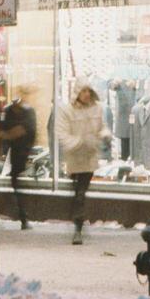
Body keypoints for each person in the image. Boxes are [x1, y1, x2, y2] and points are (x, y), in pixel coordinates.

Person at [57, 80, 108, 243]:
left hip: (89, 158)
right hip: (74, 159)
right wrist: (81, 142)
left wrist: (104, 135)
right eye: (83, 91)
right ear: (77, 92)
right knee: (78, 193)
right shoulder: (66, 111)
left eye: (89, 91)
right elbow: (62, 135)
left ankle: (77, 226)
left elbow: (102, 127)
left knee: (80, 193)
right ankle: (77, 222)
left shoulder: (97, 109)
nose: (87, 94)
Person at [0, 84, 37, 229]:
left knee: (15, 182)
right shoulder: (9, 111)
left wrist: (9, 134)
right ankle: (22, 216)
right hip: (15, 153)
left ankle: (20, 215)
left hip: (22, 153)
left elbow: (23, 131)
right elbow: (4, 130)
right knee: (15, 182)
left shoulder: (27, 112)